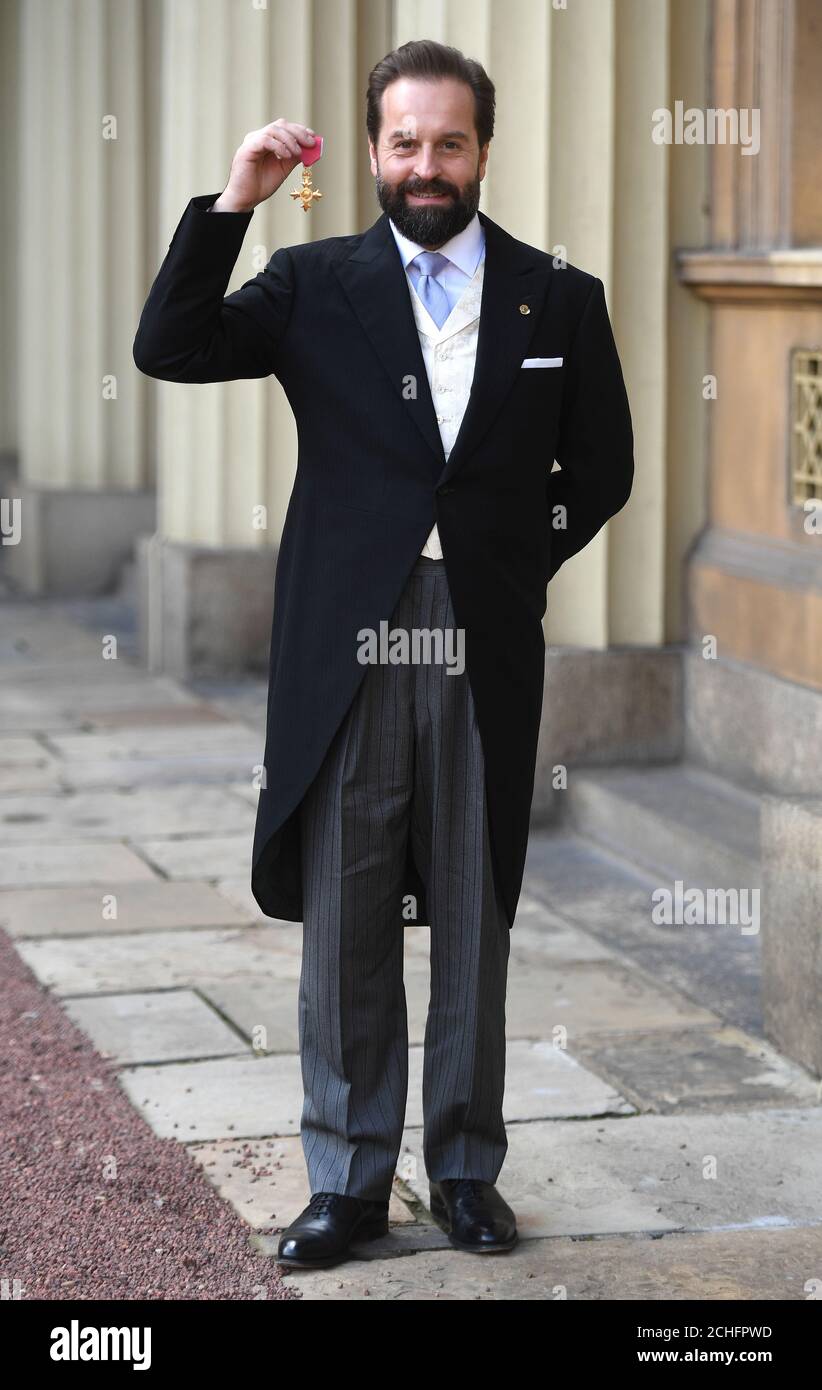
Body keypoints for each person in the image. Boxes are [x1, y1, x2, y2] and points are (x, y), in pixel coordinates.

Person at [133, 38, 634, 1270]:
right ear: (370, 152)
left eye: (449, 142)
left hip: (482, 643)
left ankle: (465, 1169)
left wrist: (511, 565)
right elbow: (169, 344)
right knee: (348, 912)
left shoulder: (558, 296)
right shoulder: (312, 281)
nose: (426, 164)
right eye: (403, 142)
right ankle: (349, 1180)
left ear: (482, 151)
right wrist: (236, 200)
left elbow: (605, 469)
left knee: (472, 905)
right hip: (348, 643)